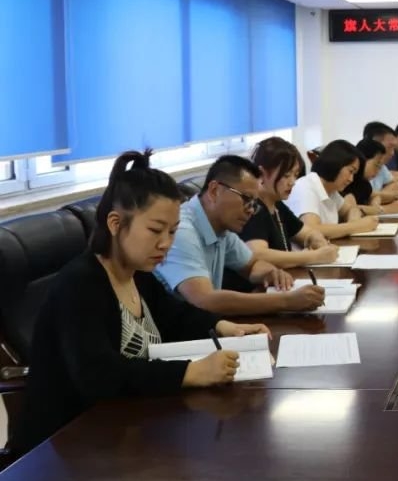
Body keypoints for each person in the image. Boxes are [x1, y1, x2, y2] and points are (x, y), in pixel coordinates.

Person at [12, 151, 270, 455]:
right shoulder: (80, 284)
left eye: (172, 231)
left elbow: (176, 316)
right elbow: (99, 375)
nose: (166, 243)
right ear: (115, 223)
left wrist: (226, 327)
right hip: (61, 449)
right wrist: (192, 372)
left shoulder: (139, 274)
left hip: (122, 431)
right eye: (155, 230)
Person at [156, 156, 325, 315]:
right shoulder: (180, 230)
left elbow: (252, 266)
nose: (251, 210)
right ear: (214, 191)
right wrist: (287, 301)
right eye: (246, 199)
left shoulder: (221, 229)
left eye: (254, 204)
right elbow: (204, 300)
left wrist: (271, 273)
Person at [240, 137, 342, 268]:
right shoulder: (253, 208)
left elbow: (306, 232)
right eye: (286, 175)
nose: (293, 182)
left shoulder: (277, 204)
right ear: (261, 173)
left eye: (295, 175)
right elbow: (258, 254)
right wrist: (315, 256)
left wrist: (316, 239)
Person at [286, 140, 381, 238]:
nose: (351, 179)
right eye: (350, 171)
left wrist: (353, 221)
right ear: (336, 163)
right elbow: (311, 230)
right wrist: (356, 226)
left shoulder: (331, 190)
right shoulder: (306, 186)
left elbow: (351, 209)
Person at [343, 138, 398, 216]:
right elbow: (349, 209)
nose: (377, 171)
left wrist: (375, 204)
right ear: (363, 159)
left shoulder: (364, 183)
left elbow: (374, 196)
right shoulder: (348, 182)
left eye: (380, 167)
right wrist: (385, 209)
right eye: (376, 165)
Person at [361, 121, 398, 203]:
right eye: (390, 147)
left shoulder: (382, 167)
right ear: (375, 143)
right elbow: (368, 197)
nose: (392, 153)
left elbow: (392, 184)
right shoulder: (359, 167)